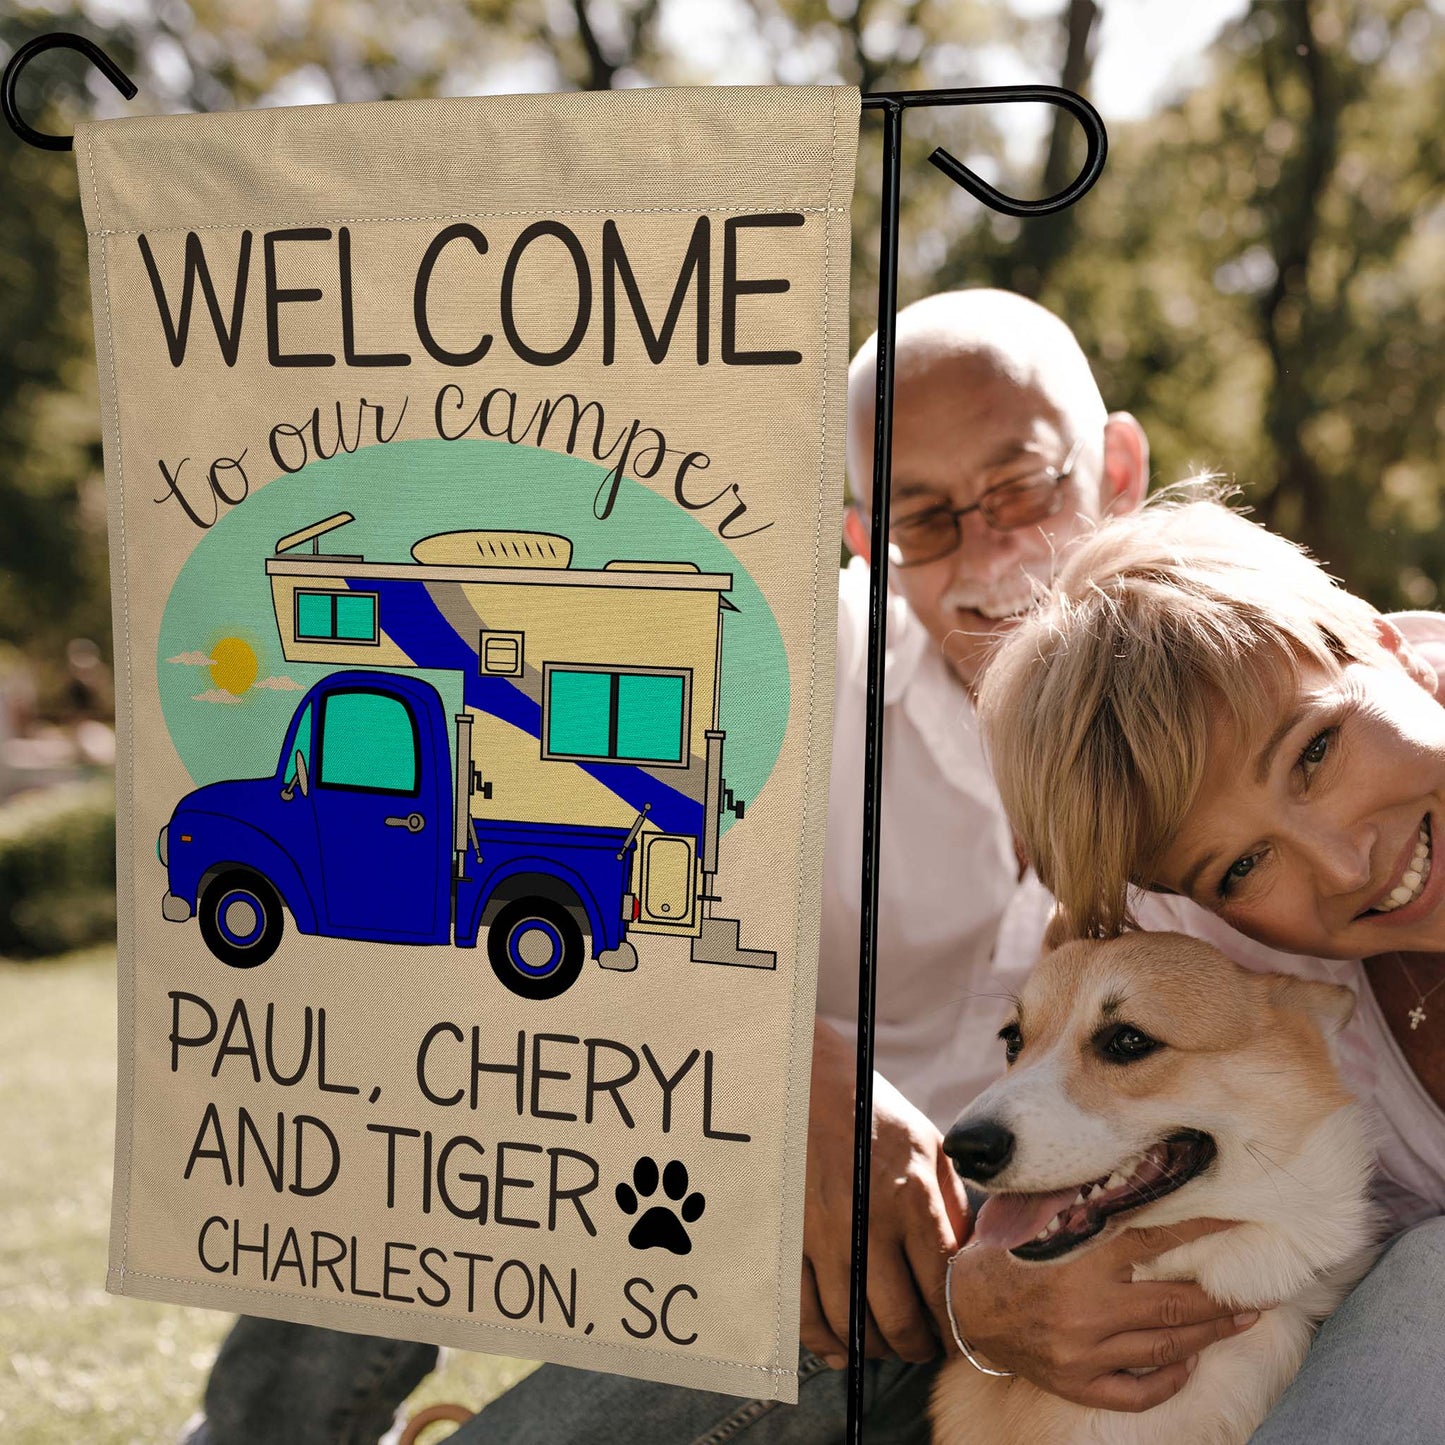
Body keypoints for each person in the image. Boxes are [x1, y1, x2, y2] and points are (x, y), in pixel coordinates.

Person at [187, 290, 1248, 1443]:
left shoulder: (1234, 700)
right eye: (922, 517)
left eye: (1022, 488)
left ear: (1118, 466)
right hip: (687, 1133)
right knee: (403, 1027)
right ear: (863, 538)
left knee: (867, 1318)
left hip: (943, 1270)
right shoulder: (774, 670)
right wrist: (791, 1073)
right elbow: (586, 895)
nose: (986, 551)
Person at [971, 489, 1445, 1440]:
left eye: (1314, 751)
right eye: (1239, 864)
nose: (1347, 864)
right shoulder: (1210, 952)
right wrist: (983, 1306)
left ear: (1389, 645)